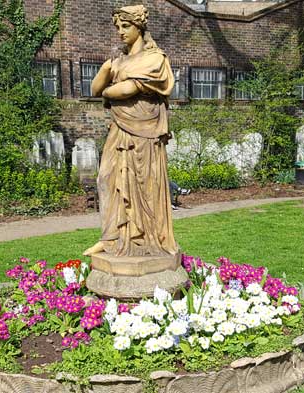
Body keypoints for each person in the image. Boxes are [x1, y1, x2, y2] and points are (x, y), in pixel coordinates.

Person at [83, 5, 178, 257]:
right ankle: (111, 237)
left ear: (140, 27)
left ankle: (145, 239)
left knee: (144, 184)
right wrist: (106, 70)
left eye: (126, 26)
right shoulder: (118, 61)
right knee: (107, 179)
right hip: (120, 128)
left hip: (144, 132)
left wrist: (109, 88)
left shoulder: (154, 59)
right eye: (118, 27)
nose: (120, 32)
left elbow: (124, 91)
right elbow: (95, 89)